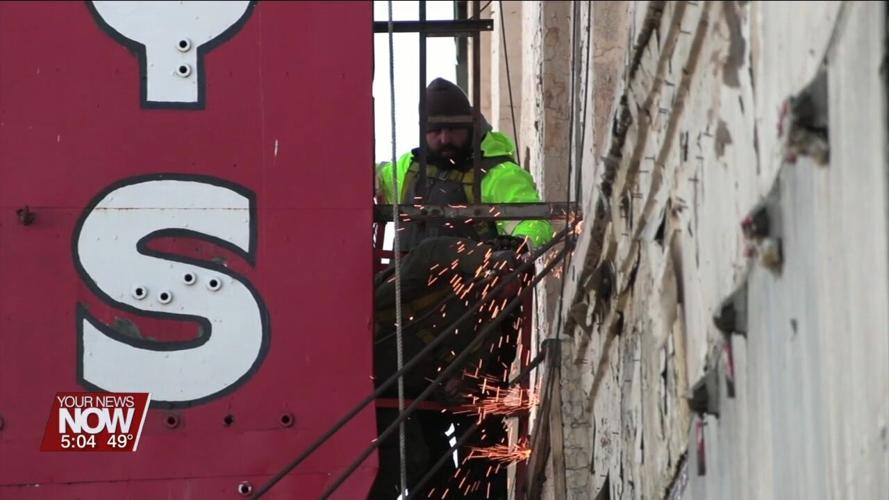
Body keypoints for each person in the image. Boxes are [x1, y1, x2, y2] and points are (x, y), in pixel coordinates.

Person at [371, 78, 552, 499]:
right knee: (413, 429)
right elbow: (360, 182)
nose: (444, 139)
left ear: (471, 127)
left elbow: (534, 222)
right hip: (413, 318)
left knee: (480, 428)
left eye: (452, 129)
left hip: (475, 317)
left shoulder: (499, 176)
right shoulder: (404, 172)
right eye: (435, 131)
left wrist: (516, 252)